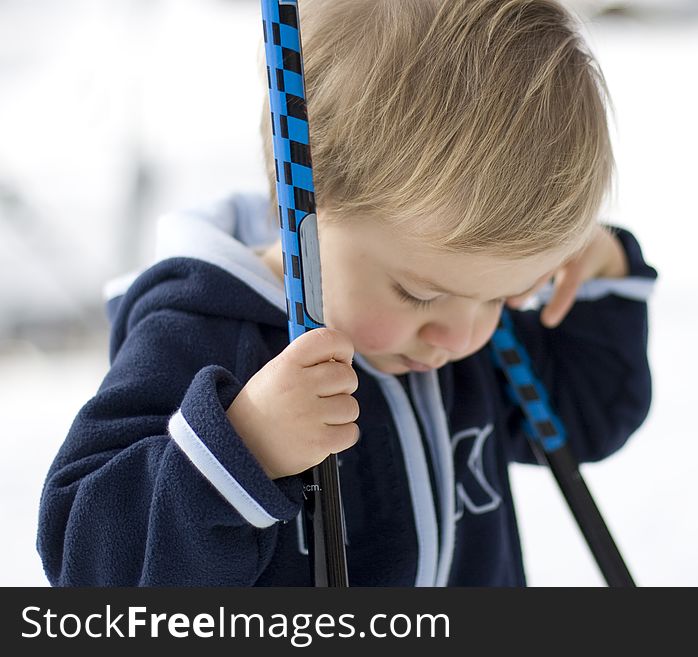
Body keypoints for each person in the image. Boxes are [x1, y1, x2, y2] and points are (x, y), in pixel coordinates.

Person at [37, 0, 657, 586]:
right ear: (305, 199)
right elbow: (89, 565)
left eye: (505, 297)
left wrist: (602, 272)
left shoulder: (457, 323)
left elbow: (586, 421)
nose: (464, 336)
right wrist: (242, 445)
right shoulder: (200, 332)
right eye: (417, 294)